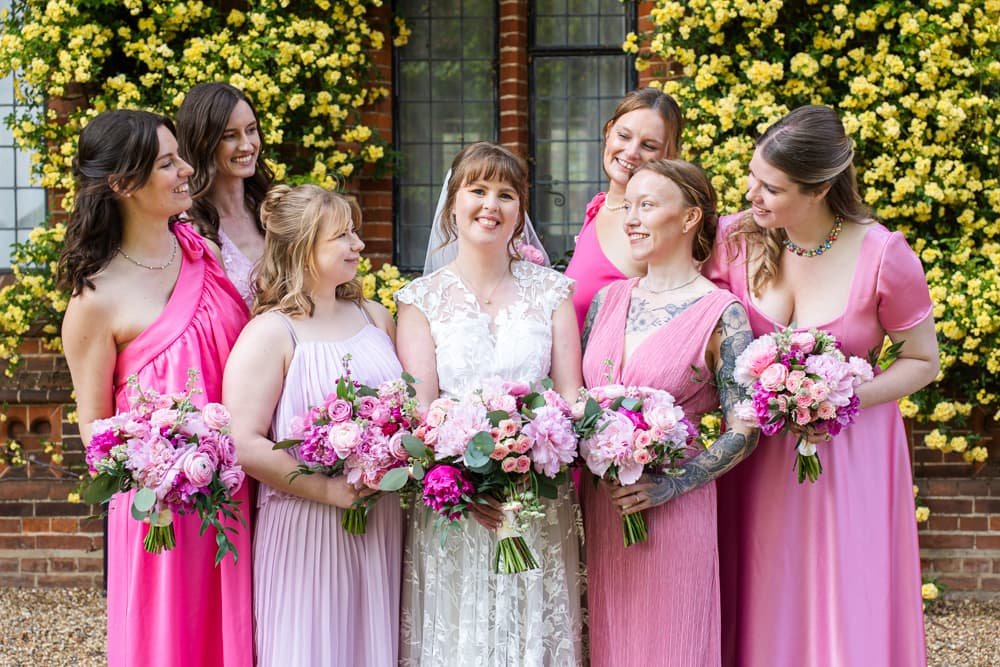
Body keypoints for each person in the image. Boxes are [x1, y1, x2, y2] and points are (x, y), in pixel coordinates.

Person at [705, 105, 939, 666]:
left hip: (849, 455)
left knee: (842, 593)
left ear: (821, 189)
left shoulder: (884, 254)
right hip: (756, 460)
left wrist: (842, 395)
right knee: (761, 582)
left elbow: (922, 360)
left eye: (772, 188)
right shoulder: (736, 238)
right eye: (754, 177)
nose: (753, 194)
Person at [59, 110, 253, 667]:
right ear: (123, 183)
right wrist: (159, 474)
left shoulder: (205, 254)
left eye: (180, 157)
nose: (187, 170)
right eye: (167, 163)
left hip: (237, 493)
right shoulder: (94, 302)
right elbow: (96, 433)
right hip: (164, 515)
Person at [395, 142, 584, 666]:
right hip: (461, 507)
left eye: (506, 194)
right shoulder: (420, 300)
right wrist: (464, 475)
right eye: (477, 190)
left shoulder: (552, 292)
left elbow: (571, 397)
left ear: (521, 212)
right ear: (452, 202)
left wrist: (539, 448)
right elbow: (422, 411)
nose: (490, 205)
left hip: (535, 498)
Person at [580, 160, 758, 666]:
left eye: (648, 205)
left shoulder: (722, 313)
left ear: (688, 219)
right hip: (606, 507)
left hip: (674, 510)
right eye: (628, 205)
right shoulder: (607, 301)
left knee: (673, 645)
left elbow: (744, 429)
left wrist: (672, 483)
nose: (631, 218)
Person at [223, 185, 403, 666]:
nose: (358, 245)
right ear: (304, 251)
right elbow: (242, 442)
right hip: (307, 527)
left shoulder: (376, 319)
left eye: (355, 232)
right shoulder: (271, 333)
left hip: (379, 521)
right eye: (342, 236)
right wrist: (330, 493)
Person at [564, 87, 683, 328]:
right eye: (624, 136)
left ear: (668, 155)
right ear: (609, 131)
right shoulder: (599, 207)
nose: (631, 152)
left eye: (648, 146)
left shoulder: (657, 224)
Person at [177, 82, 274, 307]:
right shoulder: (187, 228)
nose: (247, 145)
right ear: (203, 143)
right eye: (230, 136)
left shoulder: (274, 209)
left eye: (251, 130)